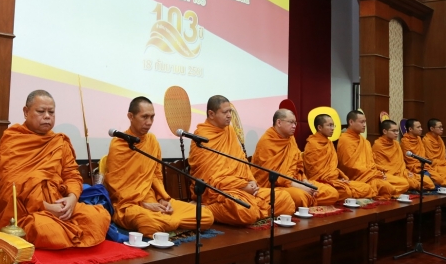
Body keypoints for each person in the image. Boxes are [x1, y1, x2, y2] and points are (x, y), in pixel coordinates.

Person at [0, 90, 110, 249]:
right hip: (28, 213)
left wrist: (71, 199)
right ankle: (69, 240)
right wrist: (47, 208)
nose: (47, 116)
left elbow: (72, 176)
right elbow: (11, 189)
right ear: (26, 112)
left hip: (61, 207)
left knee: (98, 217)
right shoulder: (13, 140)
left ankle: (66, 240)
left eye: (51, 112)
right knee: (46, 230)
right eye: (41, 111)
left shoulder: (59, 142)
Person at [105, 96, 214, 235]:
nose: (149, 122)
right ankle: (168, 222)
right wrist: (145, 205)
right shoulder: (118, 145)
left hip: (154, 201)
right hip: (131, 206)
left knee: (206, 216)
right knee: (147, 222)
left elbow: (156, 175)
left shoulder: (152, 141)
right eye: (144, 117)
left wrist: (162, 200)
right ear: (130, 116)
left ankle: (165, 222)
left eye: (152, 117)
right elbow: (115, 186)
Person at [188, 95, 295, 226]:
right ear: (211, 114)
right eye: (225, 112)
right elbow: (210, 180)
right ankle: (205, 209)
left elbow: (241, 161)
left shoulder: (229, 131)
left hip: (242, 190)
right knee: (245, 211)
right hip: (217, 194)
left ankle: (255, 211)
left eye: (230, 112)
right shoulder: (201, 137)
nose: (229, 116)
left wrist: (251, 181)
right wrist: (242, 187)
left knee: (285, 200)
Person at [252, 109, 339, 207]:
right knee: (301, 196)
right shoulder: (267, 142)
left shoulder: (291, 139)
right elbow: (274, 177)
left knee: (332, 193)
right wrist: (301, 187)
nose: (294, 126)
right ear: (279, 122)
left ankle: (305, 201)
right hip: (276, 187)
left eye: (295, 123)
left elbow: (299, 165)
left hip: (296, 182)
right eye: (291, 122)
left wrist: (306, 183)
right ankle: (304, 201)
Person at [303, 114, 378, 200]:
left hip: (335, 181)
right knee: (343, 192)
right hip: (321, 182)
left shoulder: (329, 143)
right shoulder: (312, 145)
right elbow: (313, 172)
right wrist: (331, 179)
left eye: (333, 125)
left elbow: (332, 167)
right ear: (320, 128)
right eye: (329, 125)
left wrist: (340, 178)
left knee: (366, 188)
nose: (333, 128)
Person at [336, 110, 397, 199]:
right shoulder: (345, 140)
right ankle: (373, 192)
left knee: (402, 183)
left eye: (365, 122)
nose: (364, 125)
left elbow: (370, 162)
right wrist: (373, 173)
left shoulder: (365, 142)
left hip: (370, 176)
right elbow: (349, 165)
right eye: (362, 122)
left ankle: (373, 191)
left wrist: (378, 170)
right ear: (351, 122)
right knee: (387, 188)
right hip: (357, 178)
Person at [372, 120, 433, 191]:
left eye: (397, 131)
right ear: (385, 131)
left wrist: (406, 172)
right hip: (389, 174)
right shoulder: (378, 146)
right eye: (394, 131)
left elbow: (401, 163)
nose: (397, 133)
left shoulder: (396, 144)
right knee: (405, 183)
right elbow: (379, 166)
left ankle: (408, 187)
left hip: (402, 173)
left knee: (427, 180)